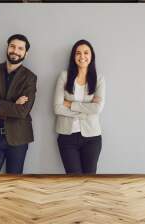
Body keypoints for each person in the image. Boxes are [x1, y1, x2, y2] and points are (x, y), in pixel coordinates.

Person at [0, 34, 37, 174]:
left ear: (26, 53)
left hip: (18, 137)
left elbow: (22, 111)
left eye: (20, 48)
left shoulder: (30, 78)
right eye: (12, 46)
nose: (15, 51)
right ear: (7, 48)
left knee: (14, 183)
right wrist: (13, 104)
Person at [54, 39, 105, 174]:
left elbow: (97, 108)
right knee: (74, 180)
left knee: (89, 180)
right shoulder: (64, 76)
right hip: (67, 136)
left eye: (86, 52)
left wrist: (70, 104)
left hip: (92, 137)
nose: (82, 56)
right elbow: (57, 108)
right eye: (78, 53)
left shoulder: (99, 79)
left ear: (91, 56)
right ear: (73, 56)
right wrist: (84, 113)